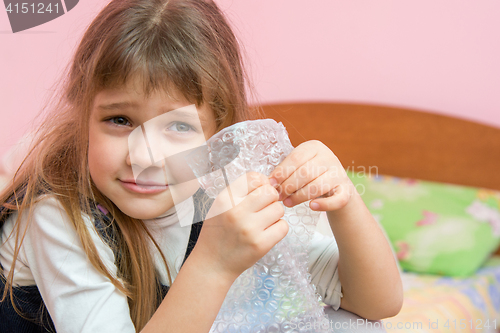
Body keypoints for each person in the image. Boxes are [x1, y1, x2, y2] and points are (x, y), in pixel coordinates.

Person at [0, 0, 403, 332]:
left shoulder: (222, 190)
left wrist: (345, 202)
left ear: (220, 138)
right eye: (119, 120)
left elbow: (377, 303)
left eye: (178, 126)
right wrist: (213, 263)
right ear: (83, 117)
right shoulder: (57, 213)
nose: (144, 157)